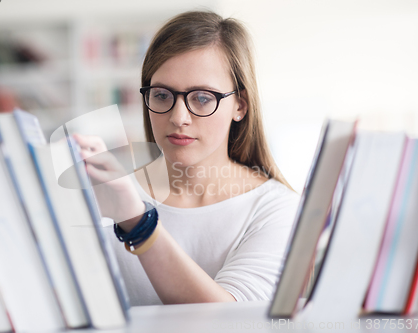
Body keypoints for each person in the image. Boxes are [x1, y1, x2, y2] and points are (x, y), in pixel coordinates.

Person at [73, 10, 300, 306]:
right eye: (162, 95)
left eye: (203, 98)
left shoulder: (276, 208)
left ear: (240, 106)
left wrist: (138, 222)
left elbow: (230, 320)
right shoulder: (103, 195)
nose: (179, 118)